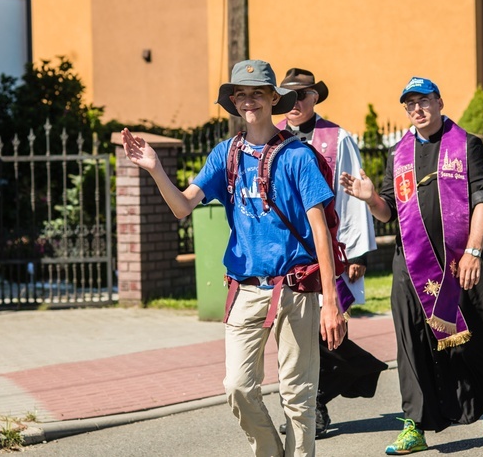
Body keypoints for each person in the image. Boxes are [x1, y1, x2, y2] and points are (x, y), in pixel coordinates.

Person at [120, 59, 346, 457]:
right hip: (245, 287)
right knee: (237, 387)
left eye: (257, 92)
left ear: (274, 98)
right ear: (233, 102)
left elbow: (320, 234)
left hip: (294, 288)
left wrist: (332, 302)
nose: (248, 100)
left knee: (298, 395)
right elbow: (181, 206)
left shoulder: (298, 157)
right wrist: (155, 169)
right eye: (240, 94)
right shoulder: (226, 154)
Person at [339, 77, 483, 454]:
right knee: (411, 340)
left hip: (460, 261)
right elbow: (387, 213)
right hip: (410, 264)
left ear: (440, 102)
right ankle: (415, 424)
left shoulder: (466, 145)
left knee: (474, 335)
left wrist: (474, 252)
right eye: (409, 104)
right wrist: (369, 199)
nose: (417, 109)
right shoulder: (398, 155)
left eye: (424, 100)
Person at [275, 68, 388, 438]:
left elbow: (351, 197)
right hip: (286, 257)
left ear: (315, 98)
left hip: (332, 253)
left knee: (326, 333)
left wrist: (358, 254)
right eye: (289, 97)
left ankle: (314, 406)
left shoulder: (336, 138)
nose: (296, 103)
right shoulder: (271, 138)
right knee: (294, 336)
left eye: (303, 95)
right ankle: (352, 375)